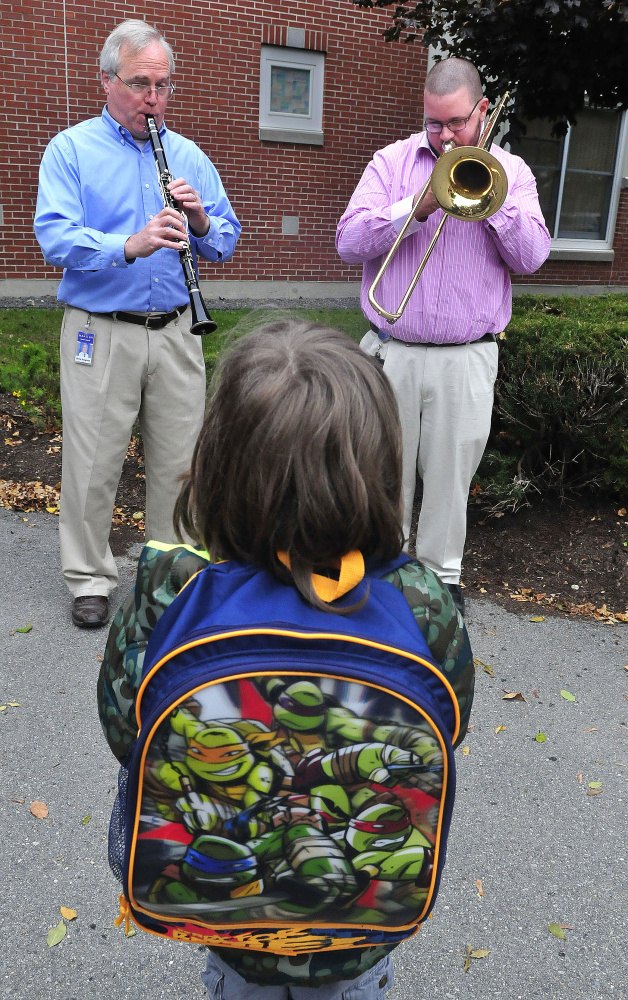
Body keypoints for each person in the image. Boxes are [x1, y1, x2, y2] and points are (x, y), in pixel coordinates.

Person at [97, 319, 475, 1000]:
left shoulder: (171, 589)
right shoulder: (419, 599)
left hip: (225, 919)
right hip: (363, 928)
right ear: (381, 463)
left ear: (219, 463)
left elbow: (129, 733)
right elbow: (447, 726)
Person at [34, 19, 241, 628]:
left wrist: (199, 222)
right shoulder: (70, 150)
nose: (153, 97)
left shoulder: (189, 156)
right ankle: (90, 577)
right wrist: (130, 243)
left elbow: (226, 239)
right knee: (94, 461)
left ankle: (171, 576)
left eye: (163, 85)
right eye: (140, 83)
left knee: (182, 464)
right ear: (107, 82)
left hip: (177, 328)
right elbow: (56, 238)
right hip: (102, 329)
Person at [336, 58, 550, 616]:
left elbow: (531, 258)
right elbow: (349, 242)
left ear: (481, 111)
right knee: (384, 474)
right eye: (434, 124)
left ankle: (440, 586)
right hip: (392, 352)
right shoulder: (392, 162)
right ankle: (381, 575)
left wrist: (492, 205)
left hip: (467, 357)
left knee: (452, 478)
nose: (445, 135)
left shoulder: (512, 172)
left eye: (455, 123)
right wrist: (417, 206)